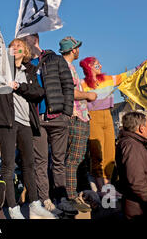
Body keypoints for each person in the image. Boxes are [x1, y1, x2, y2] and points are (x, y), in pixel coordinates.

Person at [0, 38, 56, 219]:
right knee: (8, 165)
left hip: (25, 122)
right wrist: (3, 84)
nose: (15, 48)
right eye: (12, 46)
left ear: (26, 52)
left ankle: (34, 203)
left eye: (19, 46)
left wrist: (20, 87)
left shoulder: (29, 70)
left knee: (29, 164)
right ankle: (13, 208)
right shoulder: (0, 69)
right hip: (6, 121)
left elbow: (39, 93)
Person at [22, 33, 76, 215]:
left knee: (59, 161)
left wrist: (67, 112)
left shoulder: (55, 59)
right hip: (37, 120)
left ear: (34, 39)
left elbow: (68, 85)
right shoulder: (25, 64)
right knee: (40, 162)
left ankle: (61, 197)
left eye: (25, 39)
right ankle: (45, 198)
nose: (22, 43)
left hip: (58, 117)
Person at [79, 56, 143, 195]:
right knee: (97, 153)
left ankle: (108, 188)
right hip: (93, 117)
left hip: (107, 116)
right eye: (97, 65)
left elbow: (124, 76)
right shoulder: (82, 84)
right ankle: (102, 188)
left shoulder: (107, 79)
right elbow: (76, 100)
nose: (100, 66)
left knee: (110, 154)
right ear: (89, 67)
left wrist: (139, 67)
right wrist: (84, 112)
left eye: (100, 64)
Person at [59, 36, 97, 212]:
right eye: (77, 48)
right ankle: (71, 197)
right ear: (74, 50)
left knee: (76, 158)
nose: (79, 50)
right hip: (76, 116)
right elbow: (69, 92)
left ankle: (75, 194)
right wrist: (88, 96)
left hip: (77, 116)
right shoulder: (66, 67)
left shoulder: (68, 67)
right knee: (74, 159)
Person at [115, 112, 147, 220]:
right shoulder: (132, 146)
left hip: (141, 207)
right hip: (140, 210)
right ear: (141, 128)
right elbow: (136, 181)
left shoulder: (134, 144)